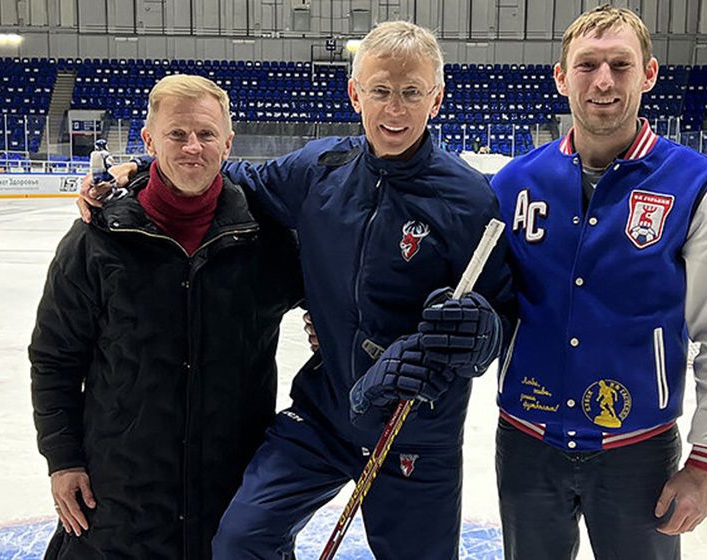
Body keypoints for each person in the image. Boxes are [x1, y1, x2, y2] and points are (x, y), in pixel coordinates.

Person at [79, 21, 511, 560]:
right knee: (242, 540)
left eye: (410, 93)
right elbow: (229, 175)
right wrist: (145, 168)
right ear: (355, 93)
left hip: (413, 435)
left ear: (437, 98)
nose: (394, 109)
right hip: (325, 414)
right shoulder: (319, 169)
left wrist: (476, 333)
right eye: (379, 91)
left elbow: (499, 314)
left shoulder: (470, 199)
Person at [490, 6, 707, 560]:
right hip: (525, 444)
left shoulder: (696, 186)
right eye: (587, 64)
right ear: (562, 77)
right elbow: (481, 298)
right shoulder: (514, 183)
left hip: (638, 451)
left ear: (649, 74)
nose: (604, 80)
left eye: (620, 64)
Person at [30, 74, 302, 559]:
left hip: (231, 490)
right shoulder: (96, 241)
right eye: (177, 134)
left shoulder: (268, 241)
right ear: (149, 139)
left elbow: (339, 300)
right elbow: (55, 358)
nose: (192, 147)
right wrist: (62, 458)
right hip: (118, 499)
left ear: (228, 142)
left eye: (206, 134)